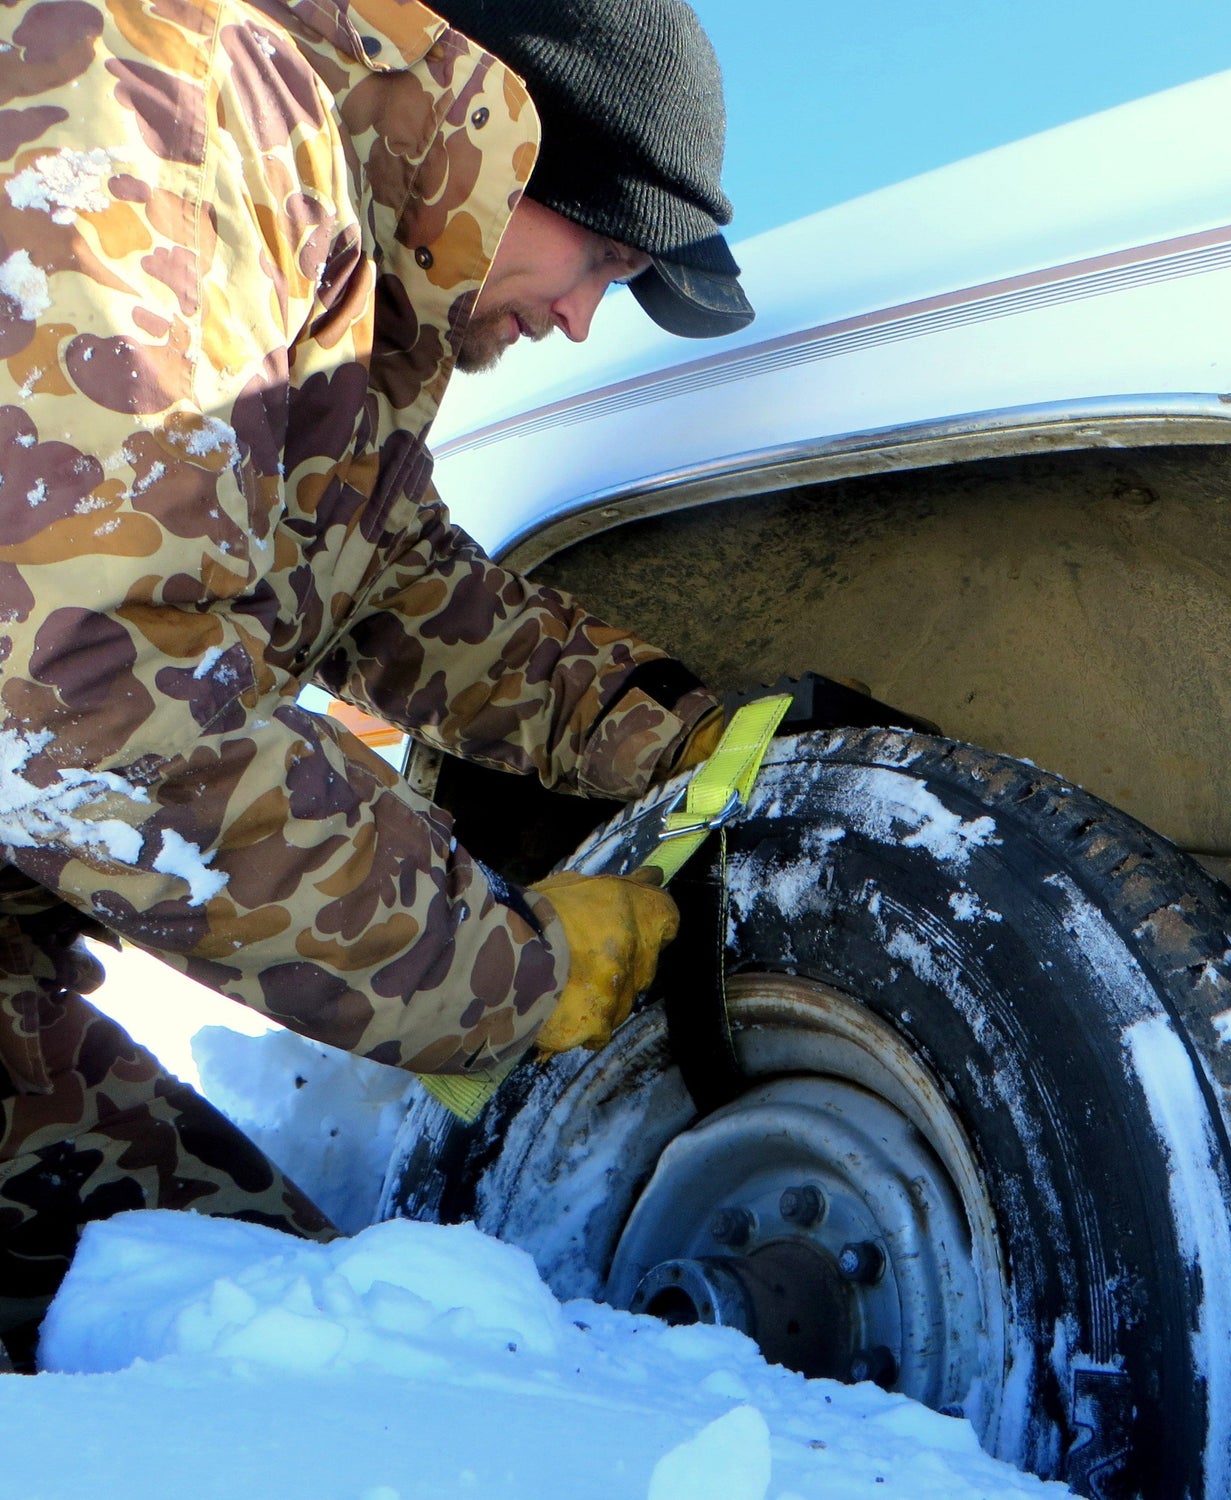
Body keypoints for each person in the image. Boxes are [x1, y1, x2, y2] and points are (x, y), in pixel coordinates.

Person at [0, 0, 745, 1365]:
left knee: (308, 1339)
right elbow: (95, 704)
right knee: (293, 1375)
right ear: (510, 137)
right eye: (603, 258)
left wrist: (666, 726)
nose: (585, 322)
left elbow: (396, 582)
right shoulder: (169, 110)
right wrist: (511, 969)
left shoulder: (353, 280)